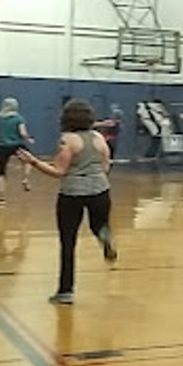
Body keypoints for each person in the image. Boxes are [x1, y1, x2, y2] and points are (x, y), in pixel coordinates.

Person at [17, 99, 117, 305]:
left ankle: (66, 291)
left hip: (73, 193)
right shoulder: (98, 137)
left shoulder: (67, 140)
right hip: (100, 189)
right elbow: (106, 164)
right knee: (98, 225)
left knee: (68, 242)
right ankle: (104, 236)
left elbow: (59, 171)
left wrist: (33, 162)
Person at [0, 97, 34, 205]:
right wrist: (28, 139)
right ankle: (25, 178)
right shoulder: (19, 118)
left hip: (2, 147)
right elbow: (23, 133)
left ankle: (1, 198)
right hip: (17, 145)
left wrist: (2, 138)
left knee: (1, 172)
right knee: (29, 160)